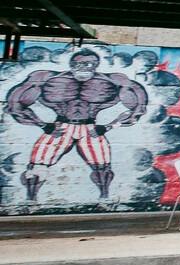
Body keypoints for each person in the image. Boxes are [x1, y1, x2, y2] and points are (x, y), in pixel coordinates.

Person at [5, 49, 149, 201]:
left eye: (88, 64)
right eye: (78, 63)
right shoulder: (45, 78)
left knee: (102, 167)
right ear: (71, 63)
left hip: (91, 129)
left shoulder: (115, 81)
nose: (83, 67)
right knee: (38, 166)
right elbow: (15, 105)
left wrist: (110, 126)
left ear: (96, 65)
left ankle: (104, 199)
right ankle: (30, 200)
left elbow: (138, 108)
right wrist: (42, 125)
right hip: (59, 127)